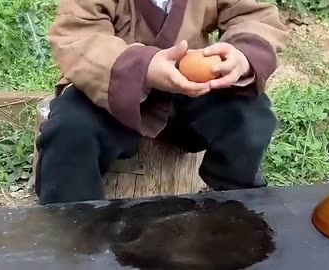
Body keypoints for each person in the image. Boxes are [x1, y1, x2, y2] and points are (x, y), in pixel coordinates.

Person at [35, 0, 289, 205]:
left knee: (248, 115)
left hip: (189, 90)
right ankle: (71, 222)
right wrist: (144, 68)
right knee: (71, 129)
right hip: (111, 90)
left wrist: (241, 54)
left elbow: (252, 15)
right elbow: (78, 34)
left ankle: (238, 200)